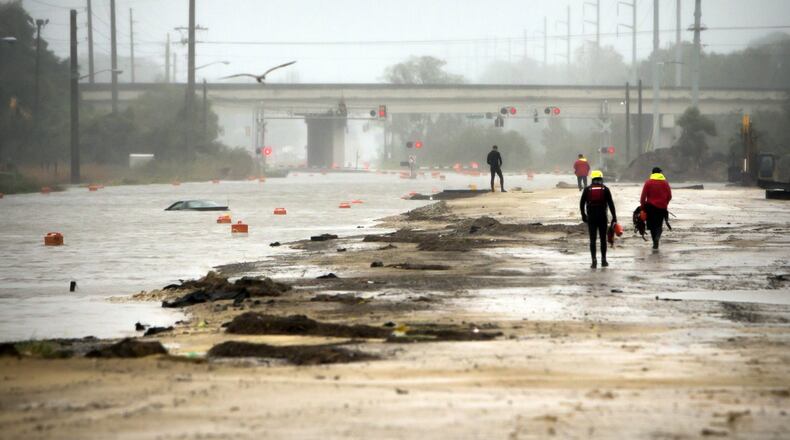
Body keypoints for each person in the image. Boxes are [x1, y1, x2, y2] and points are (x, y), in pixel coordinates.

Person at [580, 170, 617, 268]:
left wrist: (583, 215)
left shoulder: (587, 189)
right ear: (601, 178)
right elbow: (611, 204)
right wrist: (614, 217)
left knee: (592, 240)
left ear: (592, 178)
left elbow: (582, 203)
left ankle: (594, 261)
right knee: (603, 240)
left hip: (591, 218)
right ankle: (604, 260)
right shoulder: (605, 189)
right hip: (602, 217)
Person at [640, 167, 672, 250]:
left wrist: (642, 206)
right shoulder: (665, 183)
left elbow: (643, 196)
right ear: (660, 173)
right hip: (662, 208)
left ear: (652, 173)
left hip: (650, 207)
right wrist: (665, 203)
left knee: (651, 226)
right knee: (658, 225)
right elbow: (669, 196)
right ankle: (657, 237)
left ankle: (655, 242)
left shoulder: (648, 183)